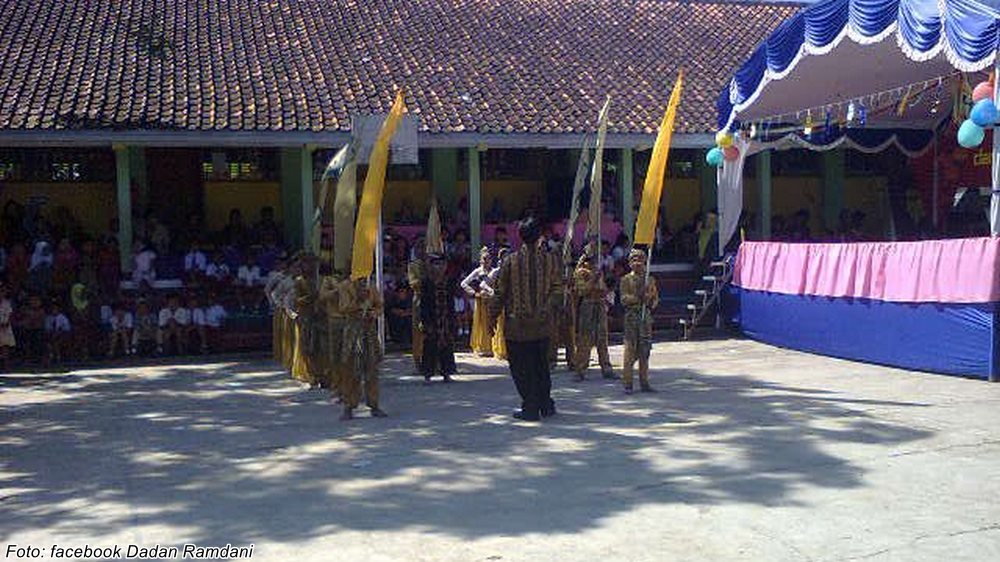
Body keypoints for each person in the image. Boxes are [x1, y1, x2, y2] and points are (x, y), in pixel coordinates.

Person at [489, 217, 562, 421]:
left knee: (522, 368)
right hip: (542, 325)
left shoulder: (509, 261)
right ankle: (546, 404)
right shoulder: (550, 260)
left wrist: (492, 317)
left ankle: (530, 407)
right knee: (541, 366)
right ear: (539, 236)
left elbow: (500, 293)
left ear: (520, 236)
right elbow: (558, 289)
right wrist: (547, 309)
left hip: (517, 326)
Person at [339, 277, 387, 420]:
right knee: (351, 369)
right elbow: (343, 307)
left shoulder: (371, 286)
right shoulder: (345, 286)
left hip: (368, 331)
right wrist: (357, 301)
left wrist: (373, 313)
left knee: (372, 369)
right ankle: (349, 405)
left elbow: (379, 306)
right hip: (353, 332)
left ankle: (374, 404)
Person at [619, 248, 660, 394]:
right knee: (630, 350)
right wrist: (637, 298)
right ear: (630, 263)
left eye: (640, 260)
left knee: (645, 350)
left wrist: (649, 300)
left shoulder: (649, 279)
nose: (637, 263)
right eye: (634, 260)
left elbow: (655, 298)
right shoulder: (626, 279)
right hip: (632, 316)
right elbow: (624, 298)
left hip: (645, 316)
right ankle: (628, 383)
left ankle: (644, 382)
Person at [573, 245, 615, 380]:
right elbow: (582, 291)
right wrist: (593, 280)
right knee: (585, 337)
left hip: (600, 304)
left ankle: (606, 367)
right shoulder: (581, 272)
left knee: (602, 336)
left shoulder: (598, 270)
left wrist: (605, 289)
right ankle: (580, 369)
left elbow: (603, 288)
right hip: (588, 304)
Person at [420, 254, 456, 382]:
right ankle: (428, 373)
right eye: (437, 264)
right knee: (430, 344)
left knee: (447, 344)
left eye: (442, 264)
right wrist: (425, 321)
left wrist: (452, 319)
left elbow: (451, 302)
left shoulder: (449, 281)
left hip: (445, 317)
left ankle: (446, 372)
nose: (440, 267)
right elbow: (423, 303)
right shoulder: (426, 282)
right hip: (432, 317)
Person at [461, 247, 495, 357]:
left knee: (492, 322)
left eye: (488, 258)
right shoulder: (478, 271)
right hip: (481, 300)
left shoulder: (494, 271)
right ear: (481, 260)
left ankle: (493, 346)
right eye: (484, 258)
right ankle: (482, 347)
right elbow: (464, 283)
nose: (486, 261)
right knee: (481, 323)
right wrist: (474, 293)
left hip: (492, 300)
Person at [406, 241, 427, 373]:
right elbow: (413, 283)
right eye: (419, 248)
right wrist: (426, 280)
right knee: (418, 330)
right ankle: (418, 361)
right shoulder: (413, 266)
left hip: (432, 298)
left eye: (423, 247)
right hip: (419, 299)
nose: (421, 250)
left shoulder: (432, 264)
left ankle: (433, 360)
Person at [487, 247, 509, 361]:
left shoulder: (512, 270)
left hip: (510, 303)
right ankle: (500, 349)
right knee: (500, 327)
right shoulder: (496, 271)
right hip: (500, 302)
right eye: (505, 256)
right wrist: (492, 292)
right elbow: (483, 284)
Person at [44, 301, 71, 366]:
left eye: (55, 309)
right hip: (51, 335)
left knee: (56, 342)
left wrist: (59, 332)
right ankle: (51, 357)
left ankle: (57, 357)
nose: (54, 310)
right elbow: (47, 329)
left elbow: (67, 328)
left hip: (62, 335)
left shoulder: (63, 318)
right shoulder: (48, 318)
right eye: (52, 309)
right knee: (49, 342)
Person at [0, 285, 14, 371]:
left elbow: (10, 314)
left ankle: (6, 365)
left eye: (2, 292)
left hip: (5, 327)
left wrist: (6, 323)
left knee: (5, 346)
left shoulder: (7, 303)